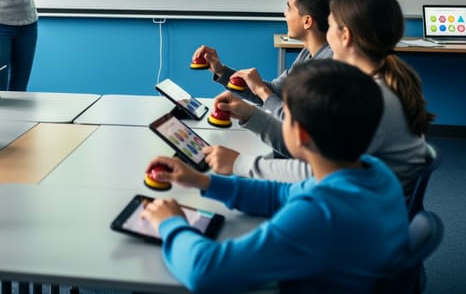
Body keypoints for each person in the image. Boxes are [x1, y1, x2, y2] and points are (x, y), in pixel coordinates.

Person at [141, 60, 409, 293]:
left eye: (286, 115)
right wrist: (205, 182)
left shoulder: (318, 213)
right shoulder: (373, 171)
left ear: (301, 135)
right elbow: (279, 194)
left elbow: (207, 271)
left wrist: (171, 224)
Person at [207, 0, 431, 196]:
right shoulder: (370, 84)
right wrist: (250, 115)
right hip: (364, 199)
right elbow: (310, 148)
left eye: (331, 25)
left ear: (345, 36)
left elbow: (319, 171)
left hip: (360, 211)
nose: (326, 34)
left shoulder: (368, 98)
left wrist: (240, 163)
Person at [192, 0, 341, 119]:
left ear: (307, 21)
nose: (284, 13)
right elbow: (275, 92)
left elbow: (295, 124)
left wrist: (261, 91)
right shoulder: (309, 54)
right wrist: (221, 71)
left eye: (289, 8)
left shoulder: (328, 67)